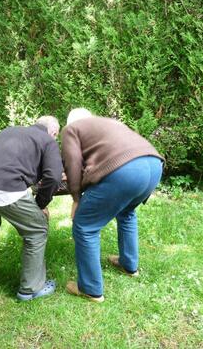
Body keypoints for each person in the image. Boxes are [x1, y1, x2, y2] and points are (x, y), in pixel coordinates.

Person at [61, 108, 164, 302]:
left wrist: (76, 198)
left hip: (127, 170)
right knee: (126, 213)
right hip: (154, 165)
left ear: (70, 122)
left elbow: (73, 164)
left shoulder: (71, 129)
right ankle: (128, 264)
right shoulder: (110, 123)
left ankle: (90, 289)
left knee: (85, 226)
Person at [0, 116, 63, 301]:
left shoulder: (9, 131)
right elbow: (54, 177)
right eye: (57, 136)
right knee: (37, 230)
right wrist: (40, 205)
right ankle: (31, 289)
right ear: (54, 132)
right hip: (3, 189)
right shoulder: (48, 140)